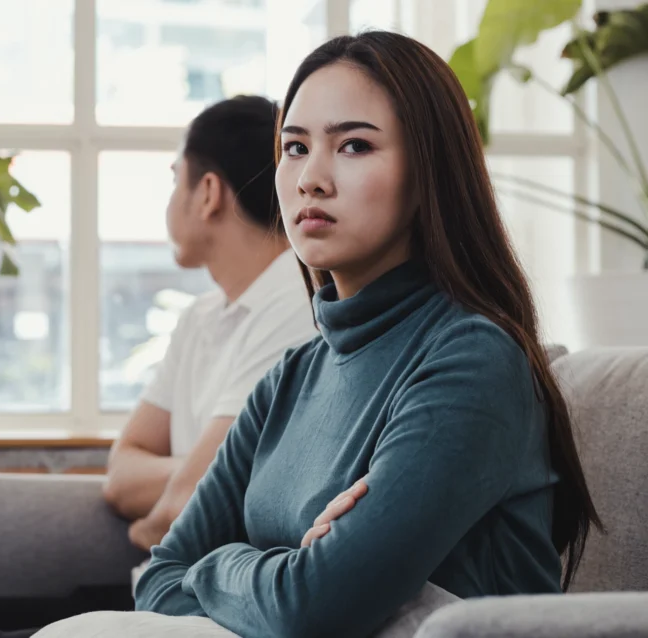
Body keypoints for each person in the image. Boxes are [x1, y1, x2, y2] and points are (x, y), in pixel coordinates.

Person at [35, 30, 602, 638]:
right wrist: (283, 569)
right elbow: (160, 576)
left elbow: (313, 610)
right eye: (295, 147)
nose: (311, 179)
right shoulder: (292, 375)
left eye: (354, 145)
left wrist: (225, 566)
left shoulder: (473, 362)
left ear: (429, 171)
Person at [0, 95, 319, 638]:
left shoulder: (292, 301)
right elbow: (122, 476)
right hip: (149, 582)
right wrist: (207, 473)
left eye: (174, 181)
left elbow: (178, 510)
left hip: (192, 601)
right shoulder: (201, 316)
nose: (169, 201)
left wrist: (193, 486)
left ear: (207, 193)